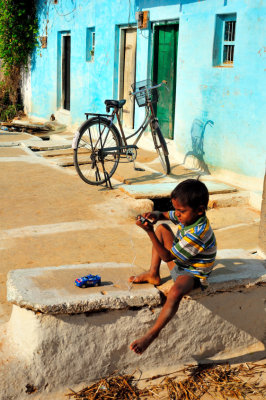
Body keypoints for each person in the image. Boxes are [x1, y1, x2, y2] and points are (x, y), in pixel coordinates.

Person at [129, 179, 217, 355]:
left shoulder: (198, 233)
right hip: (180, 262)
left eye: (181, 211)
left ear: (200, 210)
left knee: (175, 292)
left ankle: (152, 334)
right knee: (162, 228)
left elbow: (166, 256)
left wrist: (149, 231)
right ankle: (153, 273)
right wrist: (155, 214)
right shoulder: (188, 215)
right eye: (176, 209)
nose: (177, 214)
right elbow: (166, 215)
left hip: (193, 272)